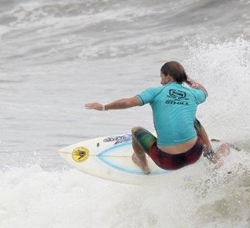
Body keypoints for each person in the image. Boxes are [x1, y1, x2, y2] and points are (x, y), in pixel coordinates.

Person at [85, 61, 215, 174]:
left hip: (167, 161)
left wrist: (103, 107)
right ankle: (209, 152)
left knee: (136, 130)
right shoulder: (193, 94)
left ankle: (143, 164)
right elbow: (205, 92)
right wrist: (188, 80)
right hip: (194, 153)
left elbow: (128, 102)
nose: (160, 81)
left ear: (168, 77)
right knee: (193, 120)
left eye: (161, 77)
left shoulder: (156, 91)